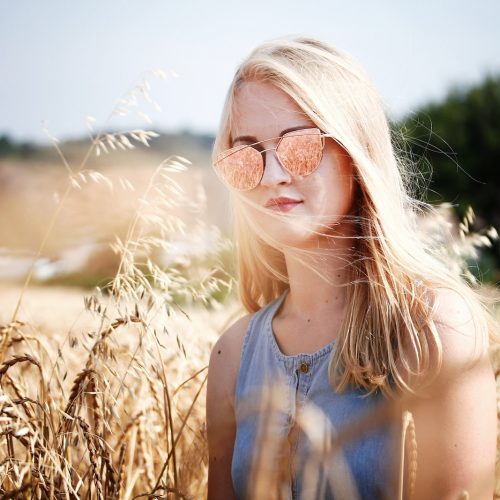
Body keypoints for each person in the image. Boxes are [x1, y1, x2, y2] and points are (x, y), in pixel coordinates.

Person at [205, 36, 497, 499]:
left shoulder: (434, 329)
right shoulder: (232, 356)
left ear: (356, 152)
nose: (274, 174)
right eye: (246, 156)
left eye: (300, 146)